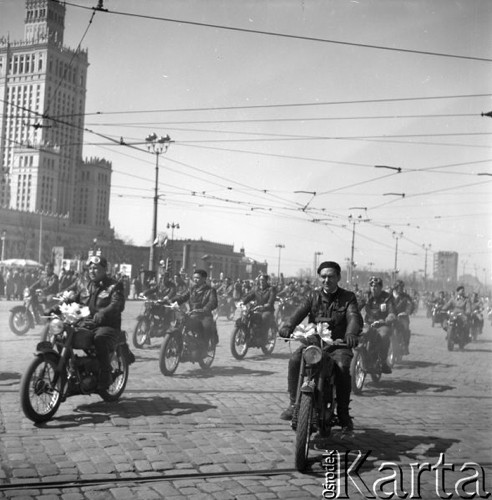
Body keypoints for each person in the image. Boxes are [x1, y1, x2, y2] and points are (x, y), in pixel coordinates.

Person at [278, 261, 363, 435]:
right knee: (295, 359)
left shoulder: (348, 297)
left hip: (339, 344)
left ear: (338, 277)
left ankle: (343, 413)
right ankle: (294, 403)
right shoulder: (312, 296)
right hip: (315, 343)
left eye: (331, 276)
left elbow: (353, 316)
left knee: (342, 367)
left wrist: (351, 334)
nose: (326, 280)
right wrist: (288, 326)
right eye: (323, 276)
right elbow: (298, 312)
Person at [72, 255, 126, 390]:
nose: (92, 271)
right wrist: (54, 308)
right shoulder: (84, 285)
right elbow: (71, 299)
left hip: (107, 326)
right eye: (90, 268)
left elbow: (117, 304)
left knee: (99, 339)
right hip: (87, 323)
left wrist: (103, 313)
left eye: (95, 268)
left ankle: (106, 375)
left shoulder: (114, 286)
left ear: (104, 269)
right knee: (65, 334)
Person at [358, 276, 396, 375]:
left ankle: (383, 362)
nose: (373, 288)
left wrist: (387, 319)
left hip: (382, 324)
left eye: (376, 286)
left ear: (380, 287)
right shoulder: (366, 296)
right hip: (368, 324)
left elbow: (392, 312)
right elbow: (356, 307)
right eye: (371, 286)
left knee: (383, 336)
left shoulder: (387, 297)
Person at [172, 268, 218, 345]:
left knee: (206, 328)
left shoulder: (210, 290)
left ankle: (204, 347)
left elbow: (213, 302)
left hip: (204, 315)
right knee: (181, 323)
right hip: (192, 313)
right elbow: (183, 297)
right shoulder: (192, 289)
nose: (195, 280)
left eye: (198, 278)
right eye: (194, 278)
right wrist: (171, 301)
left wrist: (205, 308)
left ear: (204, 279)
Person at [240, 273, 277, 344]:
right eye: (260, 280)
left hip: (267, 310)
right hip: (257, 308)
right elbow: (249, 296)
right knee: (247, 316)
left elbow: (271, 300)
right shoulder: (256, 289)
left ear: (266, 281)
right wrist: (243, 302)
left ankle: (264, 338)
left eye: (263, 280)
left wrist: (266, 305)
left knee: (264, 317)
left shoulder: (271, 289)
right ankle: (250, 334)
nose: (261, 282)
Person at [391, 280, 414, 354]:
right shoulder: (389, 296)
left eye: (402, 287)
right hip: (390, 316)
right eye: (399, 287)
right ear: (395, 287)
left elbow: (410, 304)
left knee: (406, 327)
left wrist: (407, 311)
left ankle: (405, 345)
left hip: (402, 316)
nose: (401, 289)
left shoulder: (406, 296)